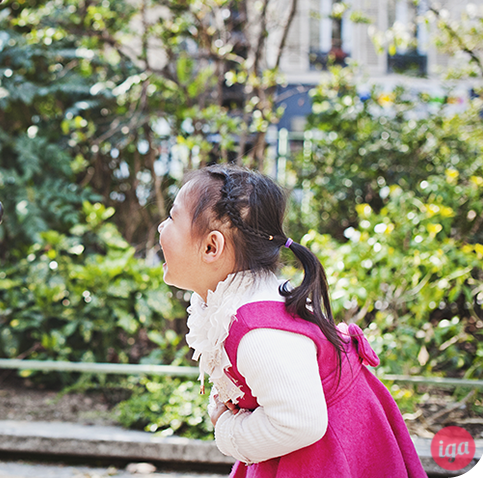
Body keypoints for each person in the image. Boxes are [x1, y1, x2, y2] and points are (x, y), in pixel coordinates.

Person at [158, 164, 426, 478]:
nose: (162, 228)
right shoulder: (230, 306)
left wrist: (226, 428)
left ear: (211, 247)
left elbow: (298, 423)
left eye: (172, 218)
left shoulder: (259, 333)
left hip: (328, 456)